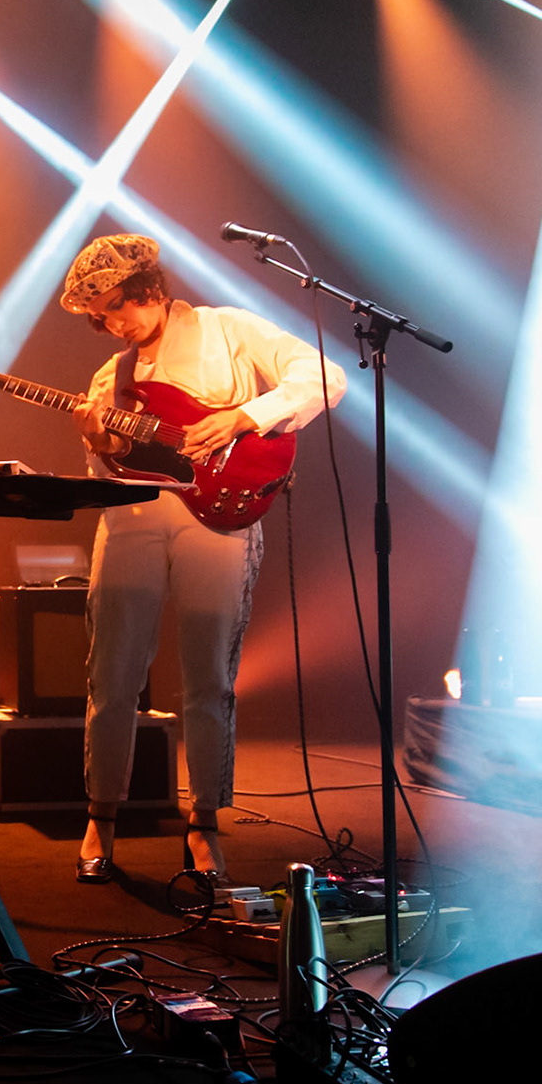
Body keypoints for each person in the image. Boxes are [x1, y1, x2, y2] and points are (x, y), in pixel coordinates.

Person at [61, 234, 345, 883]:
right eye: (101, 317)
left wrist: (246, 415)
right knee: (111, 677)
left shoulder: (229, 330)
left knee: (210, 678)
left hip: (222, 515)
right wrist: (98, 440)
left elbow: (324, 377)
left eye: (116, 308)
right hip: (132, 518)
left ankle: (204, 823)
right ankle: (99, 819)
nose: (112, 325)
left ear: (151, 291)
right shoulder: (112, 375)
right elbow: (108, 465)